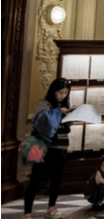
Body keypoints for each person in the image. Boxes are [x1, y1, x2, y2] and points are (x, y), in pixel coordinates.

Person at [23, 78, 72, 219]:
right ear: (53, 91)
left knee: (56, 178)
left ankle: (51, 208)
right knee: (36, 179)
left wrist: (69, 117)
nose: (62, 95)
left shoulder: (65, 104)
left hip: (60, 146)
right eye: (60, 92)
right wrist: (58, 112)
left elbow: (65, 127)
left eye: (65, 93)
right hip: (42, 147)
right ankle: (27, 213)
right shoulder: (43, 103)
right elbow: (38, 122)